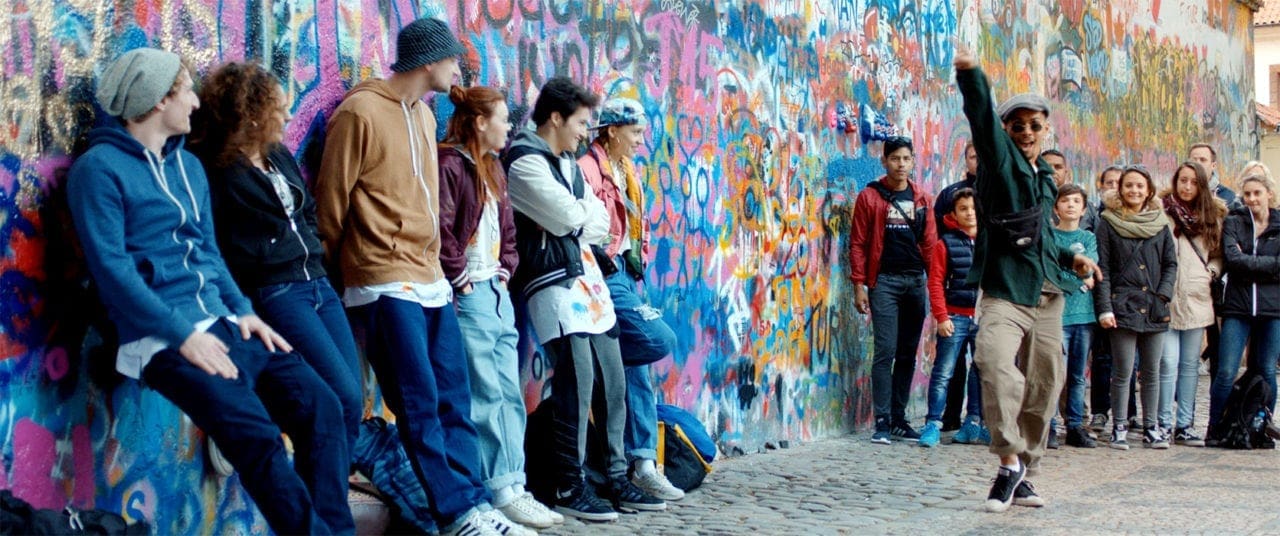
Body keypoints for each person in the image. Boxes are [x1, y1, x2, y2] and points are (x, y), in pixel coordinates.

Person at [67, 48, 352, 534]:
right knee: (258, 439)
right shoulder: (98, 170)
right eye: (186, 91)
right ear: (158, 100)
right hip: (160, 337)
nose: (196, 102)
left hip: (225, 321)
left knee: (322, 408)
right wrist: (184, 336)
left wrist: (244, 311)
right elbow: (113, 271)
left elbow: (209, 252)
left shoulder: (188, 167)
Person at [189, 61, 442, 532]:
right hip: (277, 290)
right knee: (339, 396)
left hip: (317, 283)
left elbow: (306, 212)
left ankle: (320, 505)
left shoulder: (278, 155)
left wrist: (313, 247)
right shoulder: (216, 169)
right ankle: (326, 512)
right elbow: (215, 241)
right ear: (250, 114)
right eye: (277, 108)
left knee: (349, 399)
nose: (287, 117)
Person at [314, 18, 529, 536]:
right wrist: (342, 273)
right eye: (452, 58)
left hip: (432, 281)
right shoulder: (360, 112)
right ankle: (456, 515)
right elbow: (331, 204)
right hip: (383, 281)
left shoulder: (423, 113)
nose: (458, 69)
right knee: (418, 404)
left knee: (454, 399)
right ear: (429, 60)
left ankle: (474, 503)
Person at [502, 77, 663, 521]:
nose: (583, 133)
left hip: (588, 278)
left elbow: (598, 222)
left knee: (612, 378)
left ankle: (615, 476)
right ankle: (569, 485)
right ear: (556, 118)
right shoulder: (524, 162)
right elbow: (572, 218)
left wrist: (578, 218)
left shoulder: (568, 163)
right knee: (577, 381)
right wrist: (578, 217)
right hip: (553, 281)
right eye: (579, 123)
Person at [952, 42, 1102, 513]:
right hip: (1006, 291)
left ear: (1045, 130)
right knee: (994, 362)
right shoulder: (1000, 163)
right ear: (1007, 130)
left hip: (1049, 294)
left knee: (1044, 384)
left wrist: (1074, 258)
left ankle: (1026, 472)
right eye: (1017, 125)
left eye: (1035, 125)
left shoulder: (1045, 178)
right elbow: (981, 118)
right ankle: (1008, 460)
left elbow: (1044, 235)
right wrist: (972, 75)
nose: (1027, 132)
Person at [436, 85, 564, 530]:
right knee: (485, 394)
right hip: (471, 295)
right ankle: (496, 489)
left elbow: (507, 231)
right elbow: (441, 229)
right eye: (503, 119)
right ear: (479, 122)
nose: (510, 126)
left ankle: (514, 486)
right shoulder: (450, 165)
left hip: (496, 292)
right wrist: (461, 278)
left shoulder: (493, 167)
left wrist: (506, 270)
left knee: (509, 392)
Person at [577, 97, 686, 501]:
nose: (641, 140)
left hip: (626, 271)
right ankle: (629, 462)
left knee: (633, 369)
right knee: (657, 340)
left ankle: (640, 464)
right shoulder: (588, 169)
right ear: (612, 131)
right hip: (603, 273)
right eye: (635, 132)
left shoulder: (625, 171)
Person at [849, 136, 939, 444]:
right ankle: (883, 421)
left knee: (907, 353)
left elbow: (930, 245)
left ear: (913, 161)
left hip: (915, 282)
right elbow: (858, 243)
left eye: (906, 159)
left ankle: (899, 418)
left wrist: (935, 287)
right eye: (895, 158)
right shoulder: (869, 197)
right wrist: (859, 285)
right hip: (884, 283)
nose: (901, 164)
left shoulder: (922, 198)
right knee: (885, 350)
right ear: (884, 161)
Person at [1095, 166, 1178, 450]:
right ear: (1120, 189)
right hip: (1122, 306)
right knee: (1123, 370)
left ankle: (1151, 427)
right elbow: (1103, 269)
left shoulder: (1160, 223)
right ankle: (1119, 426)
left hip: (1154, 307)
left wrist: (1163, 295)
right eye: (1129, 185)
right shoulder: (1107, 222)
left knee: (1152, 371)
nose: (1134, 191)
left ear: (1149, 190)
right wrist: (1105, 307)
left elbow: (1170, 263)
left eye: (1140, 186)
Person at [1208, 175, 1280, 443]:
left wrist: (1248, 260)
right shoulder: (1234, 222)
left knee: (1267, 370)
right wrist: (1267, 264)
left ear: (1269, 194)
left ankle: (1260, 426)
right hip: (1238, 308)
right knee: (1226, 371)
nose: (1251, 199)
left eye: (1257, 193)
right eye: (1247, 194)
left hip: (1272, 310)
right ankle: (1215, 427)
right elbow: (1233, 260)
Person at [1159, 162, 1225, 447]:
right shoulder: (1162, 211)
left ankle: (1184, 424)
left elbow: (1219, 255)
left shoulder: (1213, 216)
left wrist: (1211, 272)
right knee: (1167, 362)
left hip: (1197, 296)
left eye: (1193, 182)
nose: (1187, 187)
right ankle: (1162, 423)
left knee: (1189, 365)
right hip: (1167, 296)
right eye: (1182, 180)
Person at [919, 188, 986, 447]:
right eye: (963, 209)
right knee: (943, 372)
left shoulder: (989, 242)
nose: (970, 213)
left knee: (980, 371)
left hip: (983, 318)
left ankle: (973, 423)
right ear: (954, 214)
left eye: (973, 208)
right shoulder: (945, 244)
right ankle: (933, 424)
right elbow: (935, 282)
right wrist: (942, 316)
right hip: (954, 317)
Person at [933, 141, 979, 433]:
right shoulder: (951, 193)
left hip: (982, 310)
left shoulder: (1001, 191)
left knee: (983, 368)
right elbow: (938, 239)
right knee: (950, 365)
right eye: (974, 157)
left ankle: (977, 420)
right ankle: (948, 417)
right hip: (955, 306)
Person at [1050, 184, 1098, 448]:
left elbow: (1089, 269)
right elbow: (1053, 270)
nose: (1070, 205)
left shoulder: (1088, 238)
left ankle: (1075, 425)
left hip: (1084, 316)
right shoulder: (1050, 237)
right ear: (1056, 207)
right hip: (1056, 316)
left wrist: (1076, 272)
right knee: (1054, 375)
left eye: (1076, 201)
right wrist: (1076, 275)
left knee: (1078, 376)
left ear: (1084, 208)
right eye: (1065, 200)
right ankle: (1048, 426)